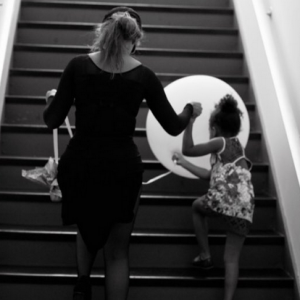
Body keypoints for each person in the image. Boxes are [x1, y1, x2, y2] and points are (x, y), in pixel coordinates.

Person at [43, 6, 201, 300]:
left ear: (102, 33)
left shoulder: (77, 66)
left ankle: (82, 283)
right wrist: (190, 110)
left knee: (86, 224)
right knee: (117, 252)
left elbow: (52, 119)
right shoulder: (144, 76)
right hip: (121, 169)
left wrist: (50, 100)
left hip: (81, 165)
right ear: (135, 39)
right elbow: (173, 126)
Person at [172, 94, 255, 300]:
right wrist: (183, 163)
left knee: (197, 206)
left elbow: (188, 149)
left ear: (215, 128)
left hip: (225, 198)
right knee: (231, 259)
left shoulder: (220, 142)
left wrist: (189, 122)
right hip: (245, 206)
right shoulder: (238, 148)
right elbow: (210, 176)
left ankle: (205, 255)